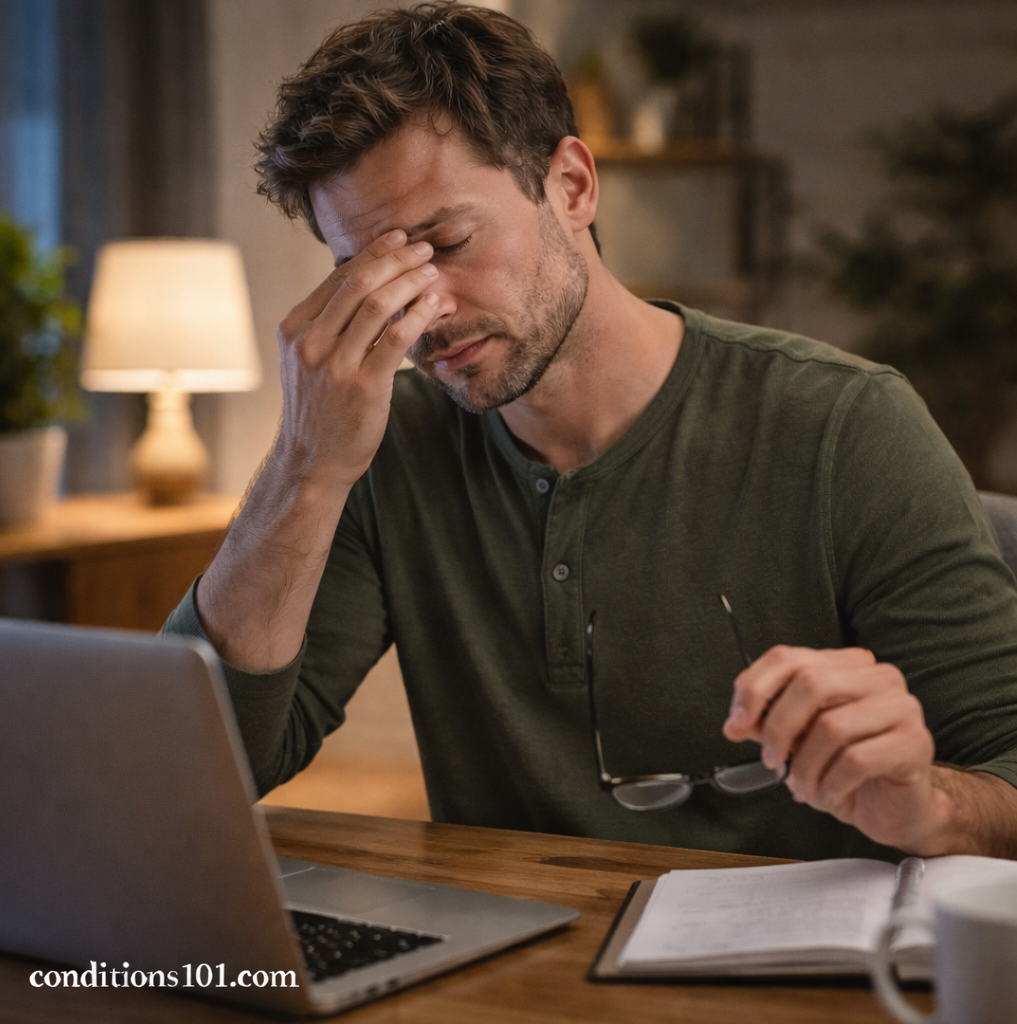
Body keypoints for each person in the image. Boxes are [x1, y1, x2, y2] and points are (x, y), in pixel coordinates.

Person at [163, 1, 1017, 862]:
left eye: (448, 241)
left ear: (570, 185)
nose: (427, 314)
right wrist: (305, 465)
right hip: (504, 975)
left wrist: (927, 809)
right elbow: (205, 766)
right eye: (372, 274)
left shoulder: (845, 424)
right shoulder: (381, 448)